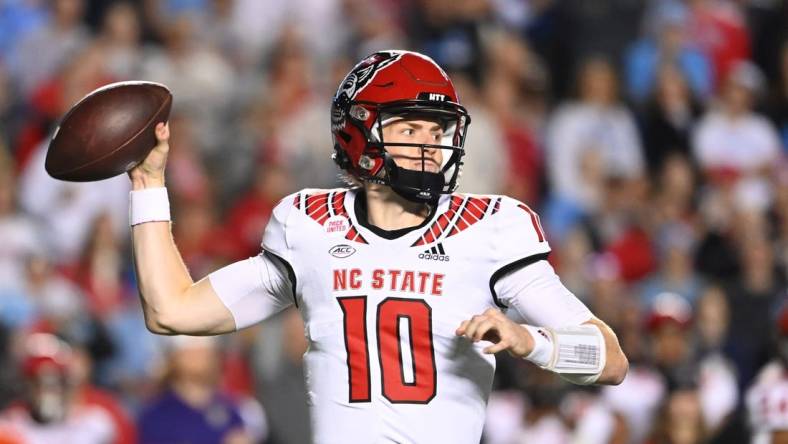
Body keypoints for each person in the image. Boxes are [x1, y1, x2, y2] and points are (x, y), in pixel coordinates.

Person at [127, 50, 628, 443]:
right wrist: (149, 185)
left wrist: (529, 341)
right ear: (358, 132)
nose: (429, 146)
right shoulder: (308, 226)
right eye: (409, 128)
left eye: (438, 130)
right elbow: (173, 310)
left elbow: (610, 358)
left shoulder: (493, 227)